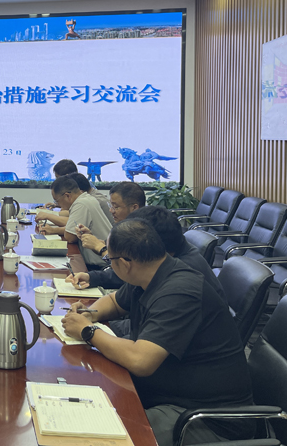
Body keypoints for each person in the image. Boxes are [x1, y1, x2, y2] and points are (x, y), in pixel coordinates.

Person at [61, 219, 253, 446]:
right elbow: (114, 301)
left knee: (96, 438)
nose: (109, 264)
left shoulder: (180, 290)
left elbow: (141, 360)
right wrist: (90, 313)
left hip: (204, 418)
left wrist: (88, 331)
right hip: (167, 393)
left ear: (125, 263)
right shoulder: (148, 272)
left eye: (109, 260)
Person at [69, 206, 226, 302]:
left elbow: (146, 333)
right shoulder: (162, 261)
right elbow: (128, 276)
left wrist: (91, 331)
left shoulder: (181, 277)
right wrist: (92, 277)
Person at [47, 175, 112, 268]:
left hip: (101, 265)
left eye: (57, 201)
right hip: (105, 258)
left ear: (67, 196)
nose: (58, 204)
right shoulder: (87, 198)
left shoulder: (80, 204)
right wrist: (53, 230)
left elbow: (70, 237)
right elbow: (73, 230)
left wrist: (54, 230)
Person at [75, 181, 146, 254]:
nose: (111, 210)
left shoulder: (142, 233)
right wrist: (90, 238)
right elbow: (110, 248)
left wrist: (99, 247)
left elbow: (119, 260)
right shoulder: (123, 227)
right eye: (111, 206)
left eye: (116, 207)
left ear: (134, 208)